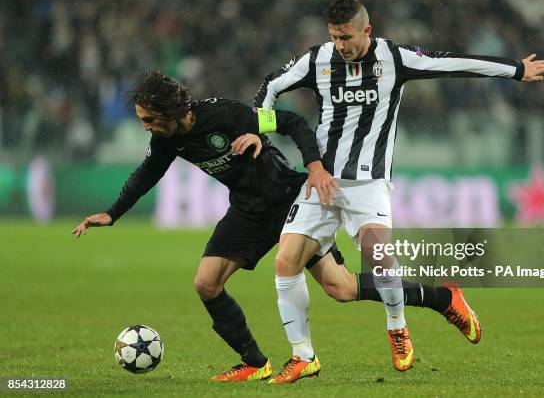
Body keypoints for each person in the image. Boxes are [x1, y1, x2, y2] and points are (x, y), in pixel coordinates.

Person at [71, 71, 459, 382]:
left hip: (288, 201)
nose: (145, 127)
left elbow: (292, 122)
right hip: (247, 211)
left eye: (149, 120)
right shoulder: (167, 140)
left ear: (171, 112)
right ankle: (255, 362)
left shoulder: (226, 114)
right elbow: (146, 174)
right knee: (206, 283)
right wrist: (113, 212)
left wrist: (310, 164)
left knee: (339, 289)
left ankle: (442, 299)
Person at [254, 0, 544, 383]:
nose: (340, 45)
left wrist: (514, 70)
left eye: (346, 37)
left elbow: (450, 63)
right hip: (322, 180)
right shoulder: (318, 59)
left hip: (368, 181)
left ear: (367, 30)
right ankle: (303, 355)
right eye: (334, 36)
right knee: (285, 261)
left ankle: (397, 326)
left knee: (377, 259)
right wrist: (256, 130)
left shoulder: (394, 59)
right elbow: (271, 86)